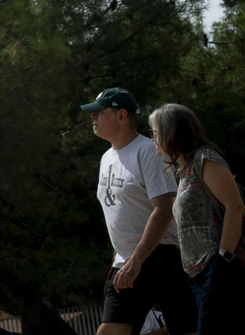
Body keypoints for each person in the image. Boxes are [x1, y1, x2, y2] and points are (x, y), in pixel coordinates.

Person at [86, 89, 197, 335]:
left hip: (161, 257)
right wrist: (121, 259)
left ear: (121, 116)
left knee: (186, 330)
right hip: (126, 262)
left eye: (99, 112)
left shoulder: (148, 151)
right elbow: (120, 214)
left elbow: (164, 209)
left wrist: (136, 261)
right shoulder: (106, 158)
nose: (92, 117)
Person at [147, 104, 245, 335]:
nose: (152, 138)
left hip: (219, 269)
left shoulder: (206, 158)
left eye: (155, 132)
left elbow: (235, 206)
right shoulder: (183, 171)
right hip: (197, 276)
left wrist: (223, 259)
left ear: (171, 132)